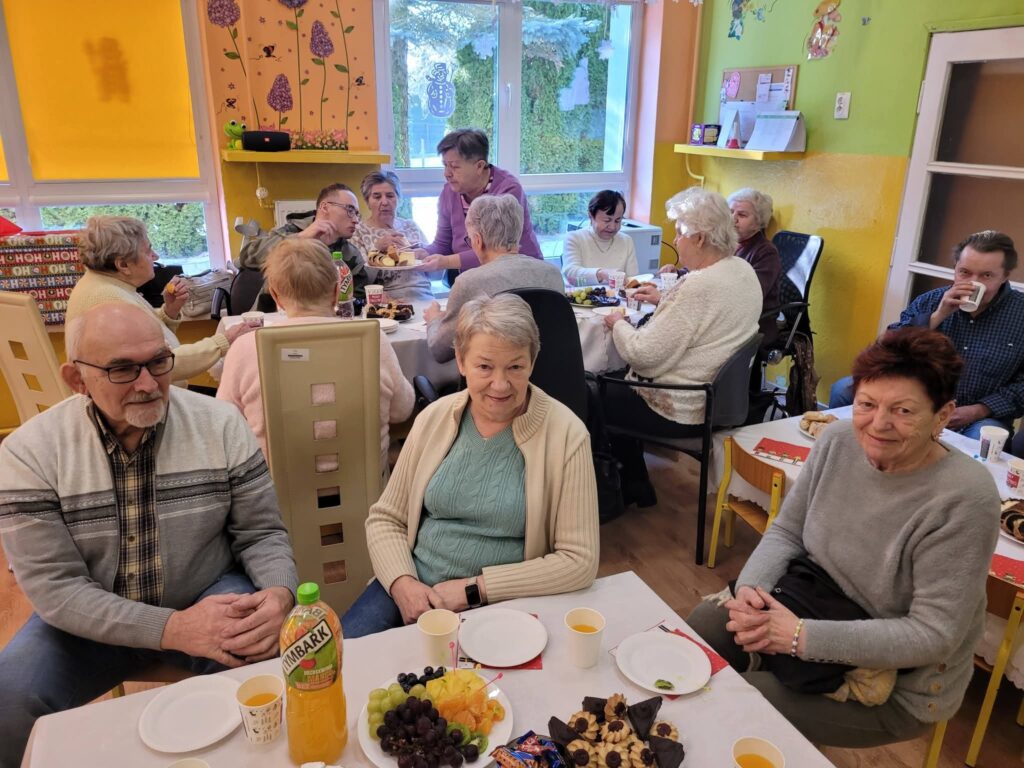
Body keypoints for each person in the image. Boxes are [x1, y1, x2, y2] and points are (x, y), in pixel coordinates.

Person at [0, 303, 299, 768]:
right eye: (122, 369)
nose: (148, 384)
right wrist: (173, 629)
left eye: (159, 362)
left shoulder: (221, 424)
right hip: (87, 621)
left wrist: (280, 593)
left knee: (275, 666)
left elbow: (261, 533)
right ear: (77, 379)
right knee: (8, 700)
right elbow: (55, 589)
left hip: (205, 595)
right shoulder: (29, 453)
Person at [687, 327, 1000, 747]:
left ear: (943, 416)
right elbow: (787, 530)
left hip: (899, 680)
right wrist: (750, 594)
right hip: (813, 601)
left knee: (743, 702)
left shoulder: (965, 497)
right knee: (703, 628)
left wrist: (799, 637)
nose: (879, 424)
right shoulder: (837, 440)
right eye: (867, 404)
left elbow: (932, 635)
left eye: (904, 411)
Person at [342, 294, 599, 638]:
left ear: (532, 362)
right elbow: (386, 518)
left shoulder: (567, 435)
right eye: (484, 367)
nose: (500, 384)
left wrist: (474, 589)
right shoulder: (434, 418)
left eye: (515, 367)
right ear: (461, 361)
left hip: (505, 600)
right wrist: (403, 584)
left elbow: (579, 561)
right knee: (342, 663)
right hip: (414, 585)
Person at [601, 187, 761, 507]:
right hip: (720, 400)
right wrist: (667, 300)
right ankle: (635, 483)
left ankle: (614, 491)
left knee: (592, 389)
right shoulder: (742, 270)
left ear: (699, 238)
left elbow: (643, 356)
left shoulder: (698, 285)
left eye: (679, 233)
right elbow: (704, 319)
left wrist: (618, 323)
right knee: (613, 382)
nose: (675, 241)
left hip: (681, 408)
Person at [217, 239, 414, 475]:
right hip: (368, 489)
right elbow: (402, 410)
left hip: (274, 492)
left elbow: (226, 428)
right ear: (336, 292)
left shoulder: (245, 348)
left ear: (276, 296)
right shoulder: (374, 339)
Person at [829, 230, 1024, 439]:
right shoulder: (931, 301)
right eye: (964, 272)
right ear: (955, 268)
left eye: (986, 275)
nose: (973, 283)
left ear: (1005, 276)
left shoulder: (1019, 313)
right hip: (913, 401)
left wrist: (979, 410)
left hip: (979, 416)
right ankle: (844, 449)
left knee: (981, 437)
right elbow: (887, 349)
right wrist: (938, 315)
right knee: (843, 389)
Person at [66, 215, 251, 384]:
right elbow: (162, 365)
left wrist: (169, 312)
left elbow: (145, 335)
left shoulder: (107, 285)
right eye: (148, 251)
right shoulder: (109, 302)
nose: (156, 256)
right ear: (123, 265)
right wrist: (224, 341)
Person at [423, 194, 564, 363]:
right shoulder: (553, 274)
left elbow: (440, 351)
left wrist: (434, 319)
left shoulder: (469, 282)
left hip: (492, 377)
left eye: (469, 240)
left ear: (478, 241)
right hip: (552, 376)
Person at [416, 128, 542, 276]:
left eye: (454, 166)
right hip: (476, 277)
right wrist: (424, 253)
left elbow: (497, 251)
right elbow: (443, 243)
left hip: (520, 273)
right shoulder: (449, 192)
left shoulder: (508, 190)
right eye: (445, 165)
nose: (447, 173)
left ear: (479, 166)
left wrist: (447, 261)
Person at [237, 182, 368, 299]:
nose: (356, 220)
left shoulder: (351, 254)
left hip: (326, 316)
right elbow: (247, 257)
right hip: (276, 314)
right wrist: (300, 238)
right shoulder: (291, 232)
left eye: (357, 214)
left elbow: (359, 298)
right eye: (350, 210)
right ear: (325, 207)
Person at [350, 171, 435, 302]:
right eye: (377, 197)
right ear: (367, 202)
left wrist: (424, 255)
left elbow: (437, 275)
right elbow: (360, 280)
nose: (384, 202)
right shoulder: (359, 232)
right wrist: (377, 249)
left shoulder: (411, 226)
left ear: (398, 199)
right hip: (385, 299)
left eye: (390, 196)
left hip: (423, 293)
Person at [561, 190, 638, 287]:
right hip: (583, 295)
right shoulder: (574, 238)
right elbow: (571, 277)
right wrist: (601, 274)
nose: (612, 227)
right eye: (607, 220)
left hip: (618, 296)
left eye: (617, 221)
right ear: (591, 216)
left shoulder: (626, 241)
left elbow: (632, 280)